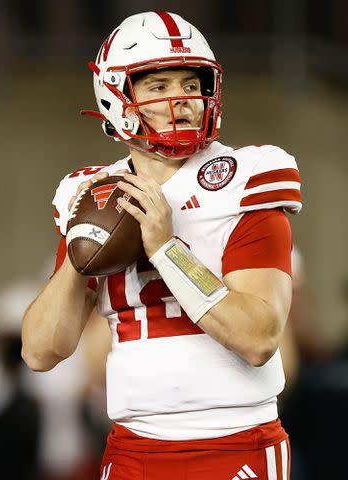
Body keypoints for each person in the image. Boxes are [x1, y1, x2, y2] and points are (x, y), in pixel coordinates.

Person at [22, 11, 302, 480]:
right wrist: (83, 247)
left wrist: (166, 249)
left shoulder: (244, 183)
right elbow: (40, 351)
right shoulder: (95, 196)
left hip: (235, 445)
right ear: (118, 98)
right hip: (132, 449)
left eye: (191, 83)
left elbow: (259, 339)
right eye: (159, 86)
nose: (184, 100)